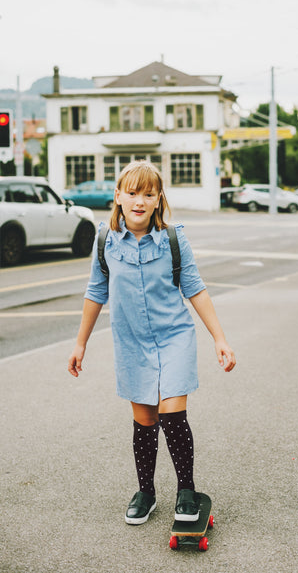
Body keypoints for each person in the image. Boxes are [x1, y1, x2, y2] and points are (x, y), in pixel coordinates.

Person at [68, 161, 236, 526]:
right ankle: (146, 491)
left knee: (172, 414)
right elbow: (95, 293)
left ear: (158, 198)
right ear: (118, 197)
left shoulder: (173, 239)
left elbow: (195, 288)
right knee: (144, 421)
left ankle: (186, 490)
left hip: (174, 336)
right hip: (131, 343)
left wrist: (219, 339)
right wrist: (80, 344)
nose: (139, 201)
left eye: (148, 193)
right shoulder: (105, 242)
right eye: (132, 192)